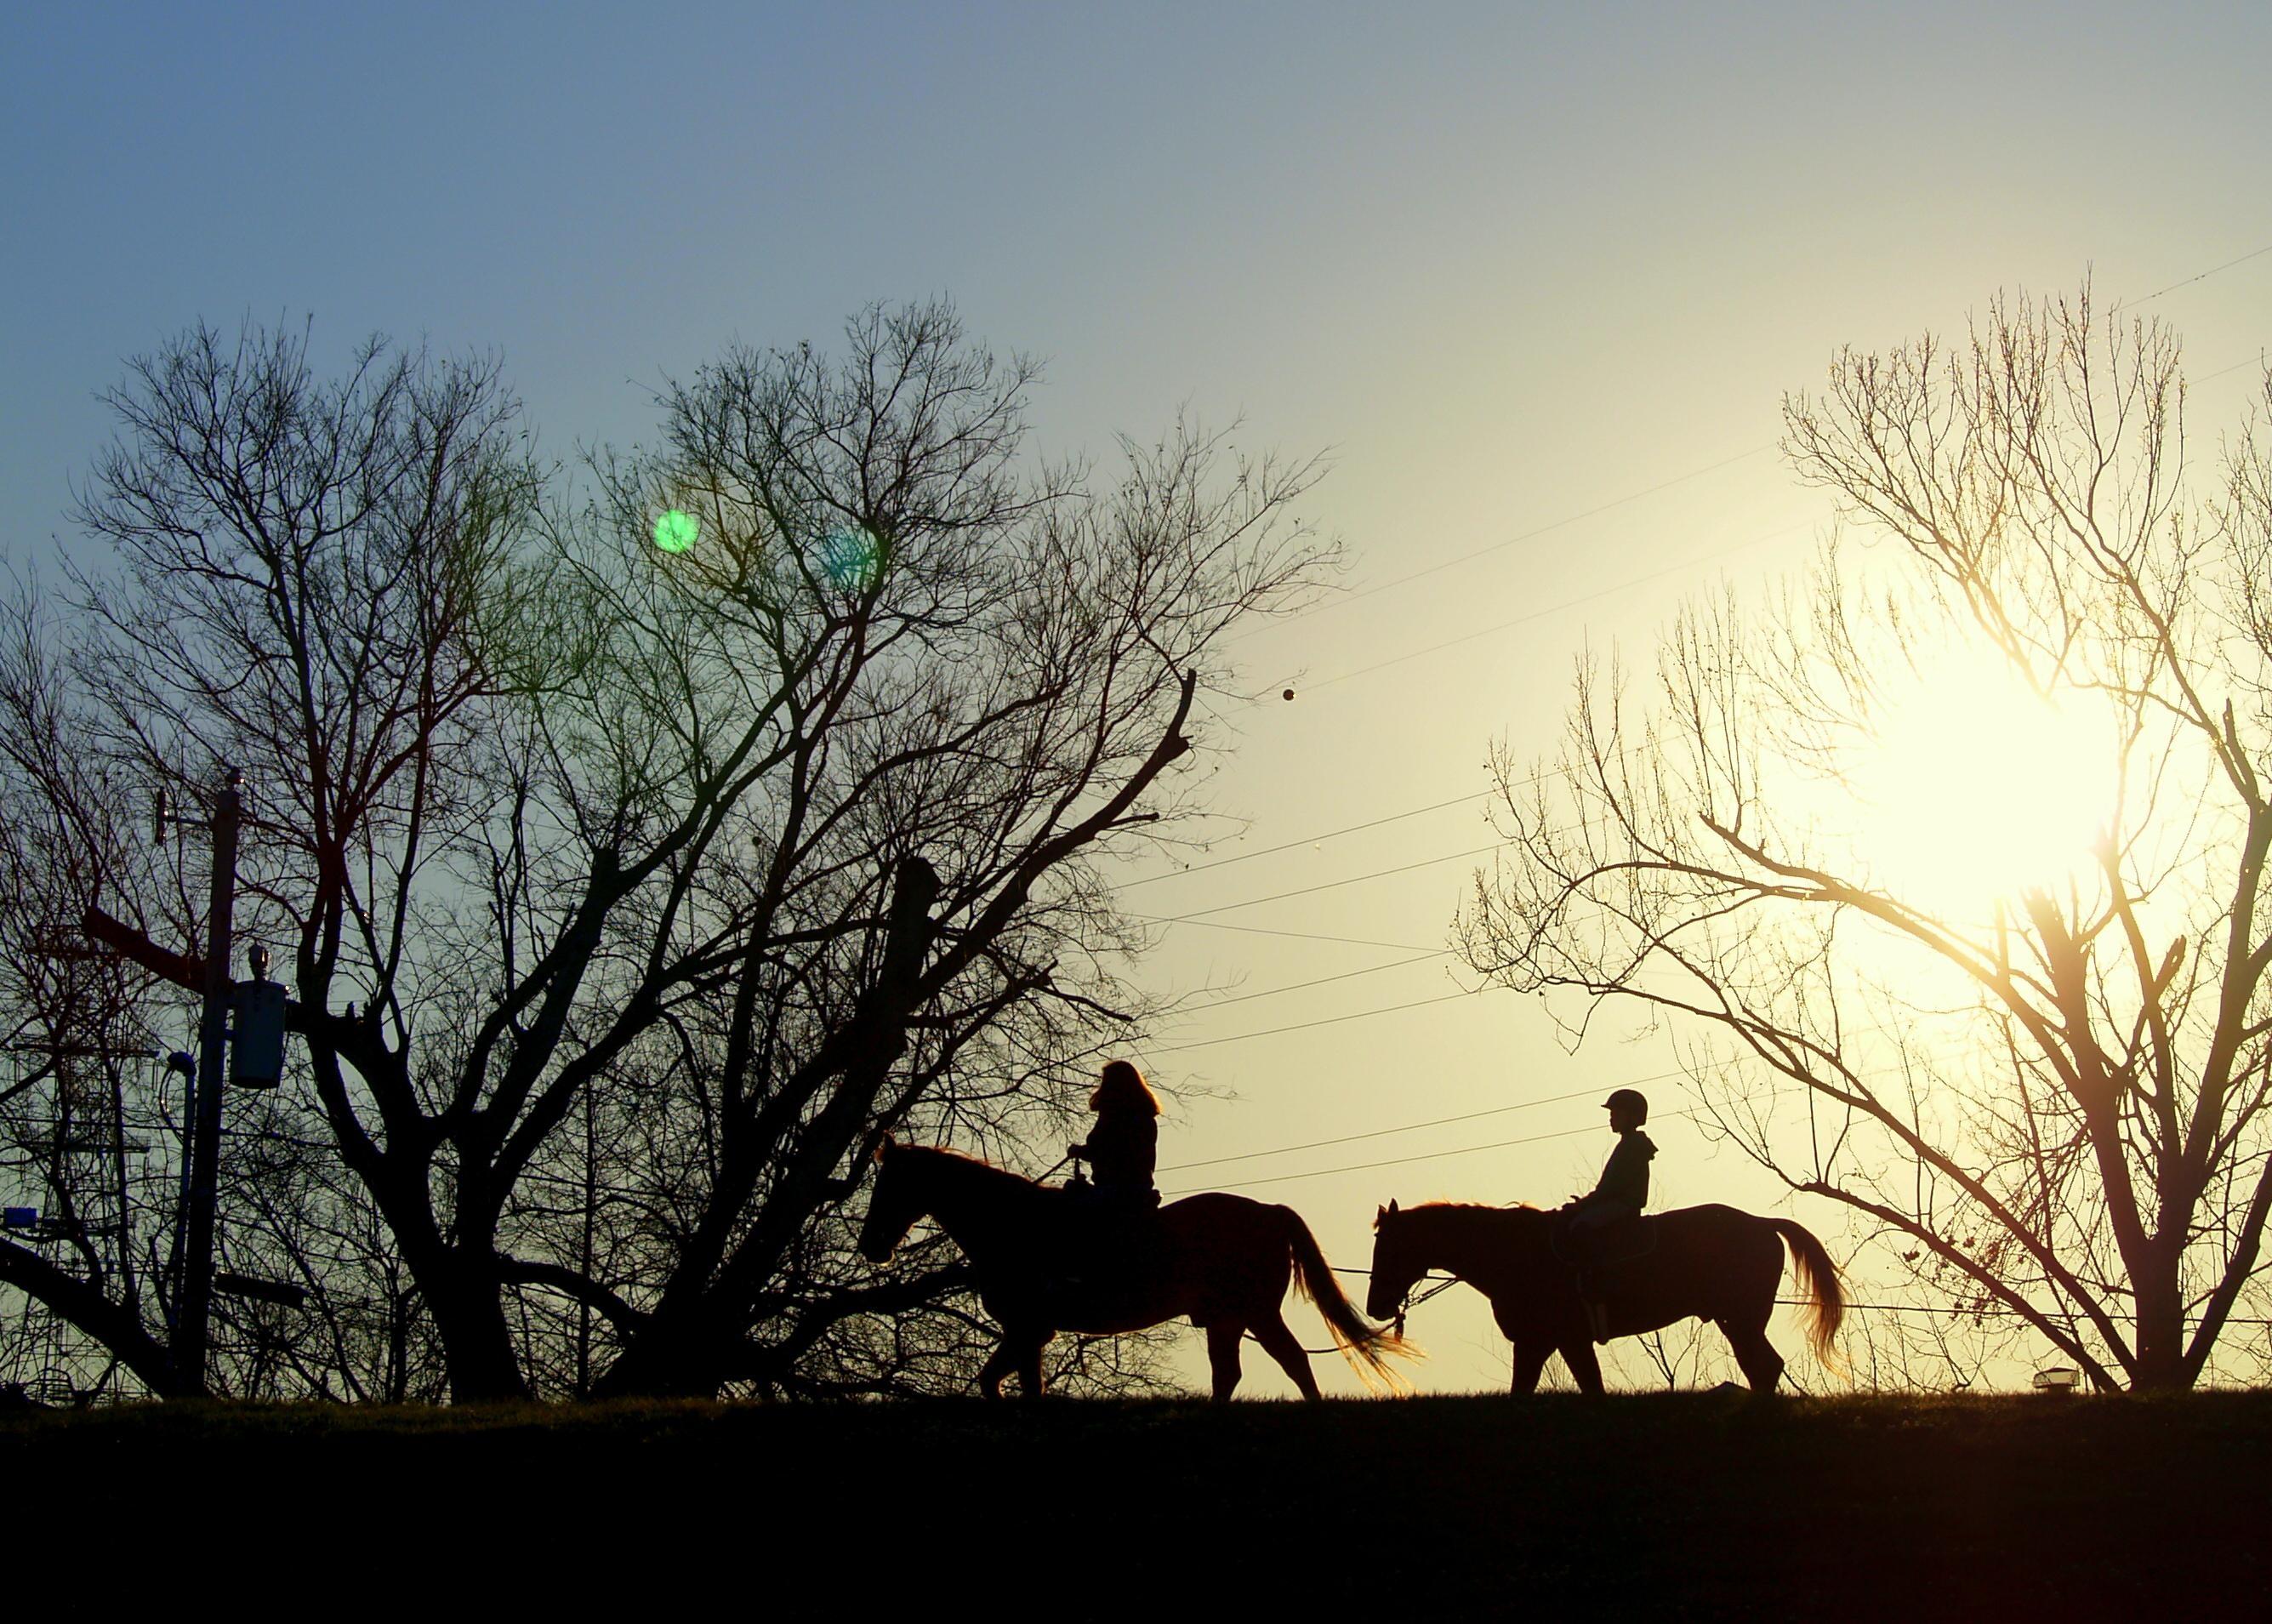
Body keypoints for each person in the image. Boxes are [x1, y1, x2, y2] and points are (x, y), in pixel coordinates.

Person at [1564, 1088, 1655, 1336]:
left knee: (1581, 1228)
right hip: (1617, 1203)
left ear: (1633, 1116)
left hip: (1622, 1206)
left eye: (1617, 1113)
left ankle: (1595, 1285)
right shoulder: (1629, 1144)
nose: (1611, 1117)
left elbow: (1608, 1189)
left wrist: (1581, 1206)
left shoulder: (1632, 1146)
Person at [1068, 1059, 1162, 1209]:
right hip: (1134, 1188)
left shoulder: (1118, 1118)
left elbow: (1110, 1150)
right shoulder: (1142, 1117)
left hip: (1118, 1190)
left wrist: (1079, 1151)